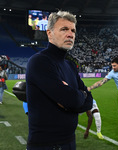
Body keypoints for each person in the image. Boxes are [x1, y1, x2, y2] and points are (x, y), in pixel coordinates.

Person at [26, 11, 93, 150]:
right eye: (64, 29)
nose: (70, 34)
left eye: (73, 30)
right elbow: (72, 100)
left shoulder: (70, 65)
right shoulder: (39, 61)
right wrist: (79, 95)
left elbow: (88, 102)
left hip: (69, 142)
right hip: (45, 145)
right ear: (49, 33)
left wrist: (76, 97)